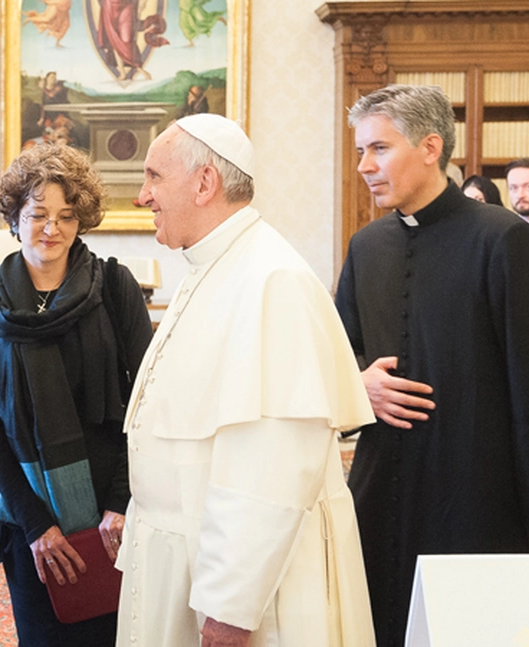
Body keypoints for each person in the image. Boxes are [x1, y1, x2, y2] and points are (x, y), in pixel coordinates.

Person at [118, 113, 377, 647]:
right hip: (184, 557)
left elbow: (273, 467)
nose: (143, 195)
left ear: (205, 182)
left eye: (153, 177)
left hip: (246, 592)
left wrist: (229, 610)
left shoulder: (270, 280)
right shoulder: (216, 267)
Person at [337, 84, 529, 647]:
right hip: (379, 494)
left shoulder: (505, 239)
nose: (364, 167)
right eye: (359, 152)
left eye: (378, 149)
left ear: (429, 146)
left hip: (475, 496)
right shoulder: (366, 245)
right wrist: (357, 385)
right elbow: (340, 352)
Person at [0, 143, 153, 645]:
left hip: (112, 512)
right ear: (14, 217)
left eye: (66, 215)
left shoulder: (115, 286)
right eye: (38, 214)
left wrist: (120, 499)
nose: (52, 228)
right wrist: (36, 525)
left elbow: (149, 399)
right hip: (27, 515)